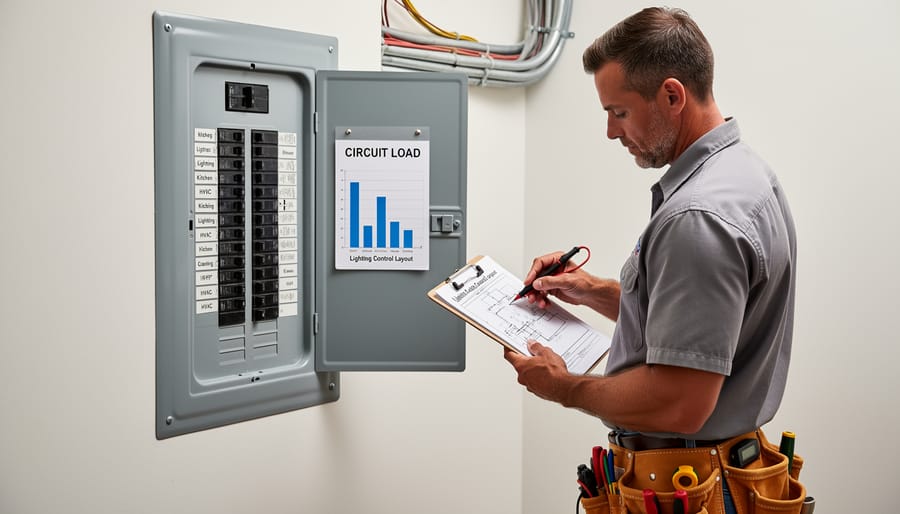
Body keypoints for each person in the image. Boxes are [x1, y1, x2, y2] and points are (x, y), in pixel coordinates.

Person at [503, 7, 797, 514]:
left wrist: (565, 387)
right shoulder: (745, 174)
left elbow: (679, 403)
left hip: (690, 484)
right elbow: (703, 331)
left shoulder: (697, 217)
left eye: (618, 111)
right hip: (727, 474)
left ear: (672, 95)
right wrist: (593, 291)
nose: (612, 133)